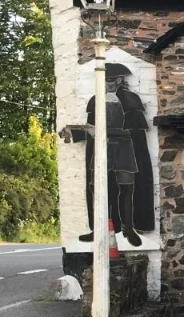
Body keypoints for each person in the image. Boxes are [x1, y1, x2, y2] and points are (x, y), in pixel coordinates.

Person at [60, 63, 154, 246]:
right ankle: (99, 229)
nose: (106, 84)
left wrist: (104, 132)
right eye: (104, 80)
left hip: (124, 149)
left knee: (126, 189)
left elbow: (135, 130)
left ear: (120, 80)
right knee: (98, 190)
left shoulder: (131, 99)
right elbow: (91, 129)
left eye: (110, 80)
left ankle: (128, 228)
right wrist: (73, 131)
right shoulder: (96, 100)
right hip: (102, 150)